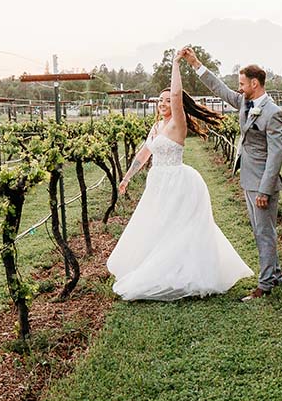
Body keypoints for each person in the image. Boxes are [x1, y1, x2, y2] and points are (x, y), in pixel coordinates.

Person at [106, 49, 253, 301]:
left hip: (177, 181)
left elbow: (176, 94)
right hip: (157, 182)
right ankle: (161, 267)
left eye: (167, 100)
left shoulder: (178, 121)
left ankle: (182, 273)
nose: (163, 103)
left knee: (180, 227)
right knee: (159, 226)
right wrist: (127, 177)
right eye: (159, 100)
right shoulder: (156, 126)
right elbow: (144, 154)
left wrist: (176, 64)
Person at [182, 47, 282, 302]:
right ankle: (276, 276)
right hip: (249, 179)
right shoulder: (244, 102)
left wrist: (264, 190)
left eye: (241, 84)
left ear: (254, 83)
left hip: (262, 183)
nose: (238, 88)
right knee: (263, 230)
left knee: (263, 233)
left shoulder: (273, 113)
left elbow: (276, 155)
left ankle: (265, 285)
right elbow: (219, 88)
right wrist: (196, 64)